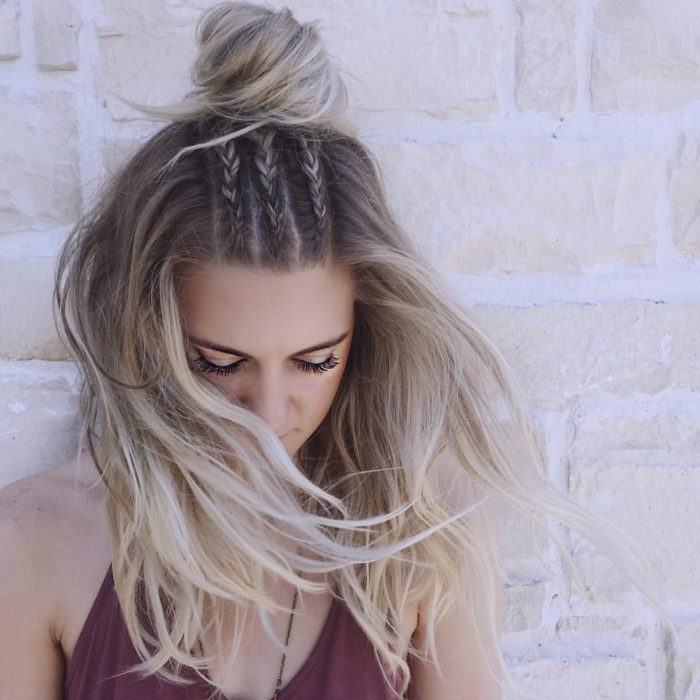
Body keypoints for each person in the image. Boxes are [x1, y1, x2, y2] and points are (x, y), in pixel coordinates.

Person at [0, 3, 660, 699]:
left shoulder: (427, 535)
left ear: (364, 333)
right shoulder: (39, 538)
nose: (268, 411)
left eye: (315, 362)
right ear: (153, 329)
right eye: (220, 363)